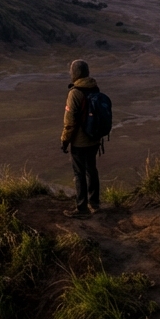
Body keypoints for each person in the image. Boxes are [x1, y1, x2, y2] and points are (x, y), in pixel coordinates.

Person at [61, 59, 101, 217]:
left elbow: (69, 123)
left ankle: (81, 208)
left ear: (75, 73)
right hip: (95, 139)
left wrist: (65, 141)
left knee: (79, 173)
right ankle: (95, 203)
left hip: (79, 141)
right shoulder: (95, 88)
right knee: (92, 170)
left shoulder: (75, 93)